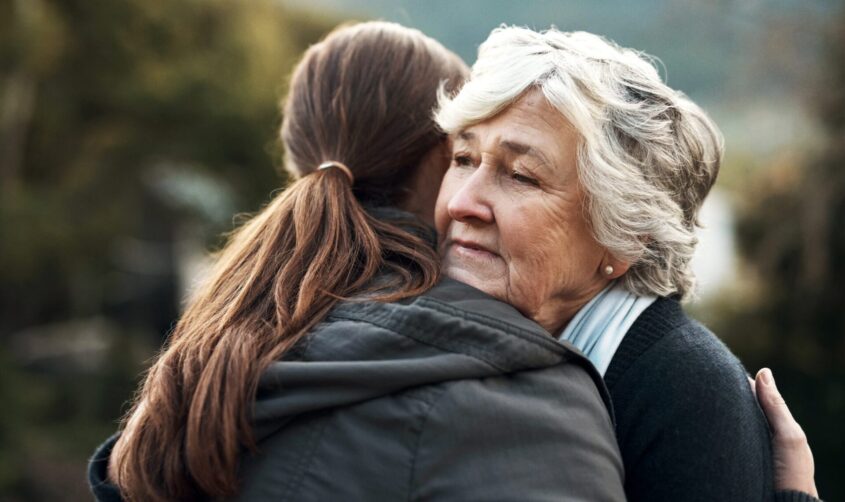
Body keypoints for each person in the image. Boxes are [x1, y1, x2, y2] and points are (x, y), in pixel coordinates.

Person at [87, 22, 625, 501]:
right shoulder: (519, 393)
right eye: (464, 157)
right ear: (440, 160)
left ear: (295, 155)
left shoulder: (222, 338)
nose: (468, 197)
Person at [432, 26, 821, 501]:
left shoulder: (686, 397)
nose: (462, 203)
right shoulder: (456, 334)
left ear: (624, 235)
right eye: (464, 158)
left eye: (520, 175)